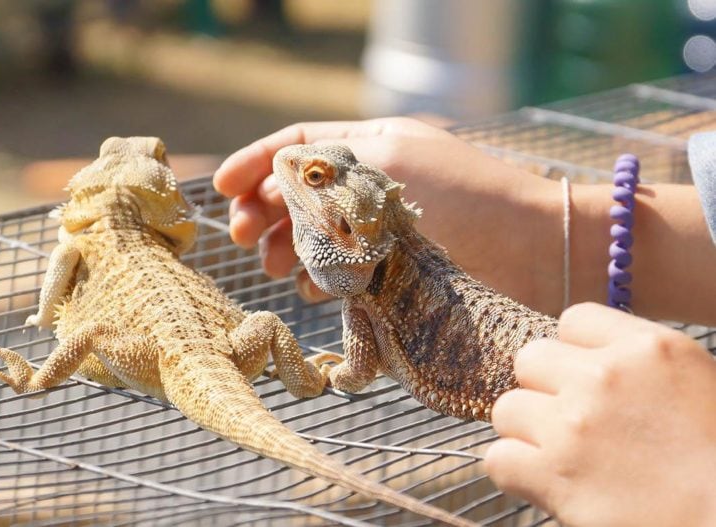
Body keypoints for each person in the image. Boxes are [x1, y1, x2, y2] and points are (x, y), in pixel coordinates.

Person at [213, 117, 716, 527]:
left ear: (345, 231)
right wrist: (538, 226)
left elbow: (356, 372)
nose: (299, 173)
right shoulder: (389, 278)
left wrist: (330, 374)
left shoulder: (367, 299)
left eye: (316, 179)